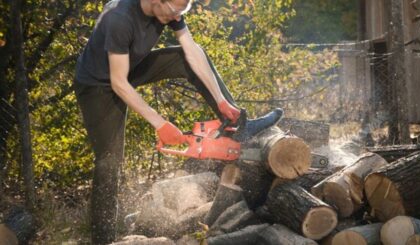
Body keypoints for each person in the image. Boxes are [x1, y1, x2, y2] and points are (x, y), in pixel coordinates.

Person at [73, 0, 282, 243]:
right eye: (174, 12)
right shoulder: (120, 18)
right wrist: (160, 123)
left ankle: (239, 128)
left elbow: (193, 51)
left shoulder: (171, 9)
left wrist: (220, 99)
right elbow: (118, 83)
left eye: (181, 13)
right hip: (98, 85)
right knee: (109, 162)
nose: (176, 17)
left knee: (186, 56)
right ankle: (103, 238)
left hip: (130, 67)